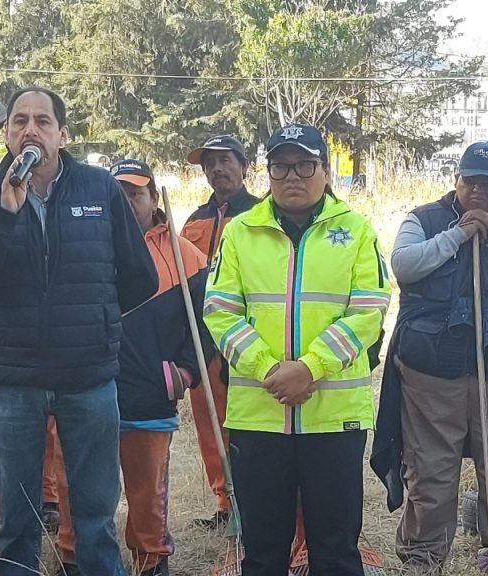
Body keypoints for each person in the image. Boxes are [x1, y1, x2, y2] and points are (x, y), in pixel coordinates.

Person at [0, 87, 157, 576]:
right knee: (16, 520)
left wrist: (95, 317)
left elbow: (141, 277)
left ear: (63, 135)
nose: (30, 129)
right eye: (20, 120)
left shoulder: (98, 188)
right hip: (12, 381)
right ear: (6, 135)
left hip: (88, 377)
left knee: (94, 516)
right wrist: (4, 215)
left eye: (43, 121)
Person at [203, 123, 390, 575]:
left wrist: (310, 368)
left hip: (334, 418)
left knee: (335, 548)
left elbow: (368, 311)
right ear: (267, 172)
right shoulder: (240, 232)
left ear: (326, 170)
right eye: (281, 166)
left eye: (305, 164)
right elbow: (219, 312)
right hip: (259, 416)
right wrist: (272, 370)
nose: (293, 176)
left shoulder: (357, 230)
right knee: (264, 551)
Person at [376, 142, 488, 574]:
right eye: (469, 180)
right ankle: (423, 558)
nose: (477, 190)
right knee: (430, 473)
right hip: (430, 374)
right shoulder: (421, 219)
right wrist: (458, 233)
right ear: (456, 179)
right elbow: (403, 265)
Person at [57, 159, 208, 576]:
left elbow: (206, 325)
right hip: (83, 390)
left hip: (148, 395)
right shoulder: (78, 246)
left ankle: (151, 560)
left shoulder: (187, 257)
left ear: (154, 199)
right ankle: (74, 559)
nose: (126, 203)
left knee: (146, 493)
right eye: (118, 194)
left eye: (136, 194)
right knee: (74, 484)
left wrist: (184, 373)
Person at [180, 134, 260, 529]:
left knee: (243, 425)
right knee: (210, 425)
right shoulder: (194, 220)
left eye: (225, 160)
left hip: (246, 337)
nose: (217, 169)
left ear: (244, 165)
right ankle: (225, 503)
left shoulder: (263, 215)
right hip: (201, 338)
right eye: (210, 163)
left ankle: (252, 501)